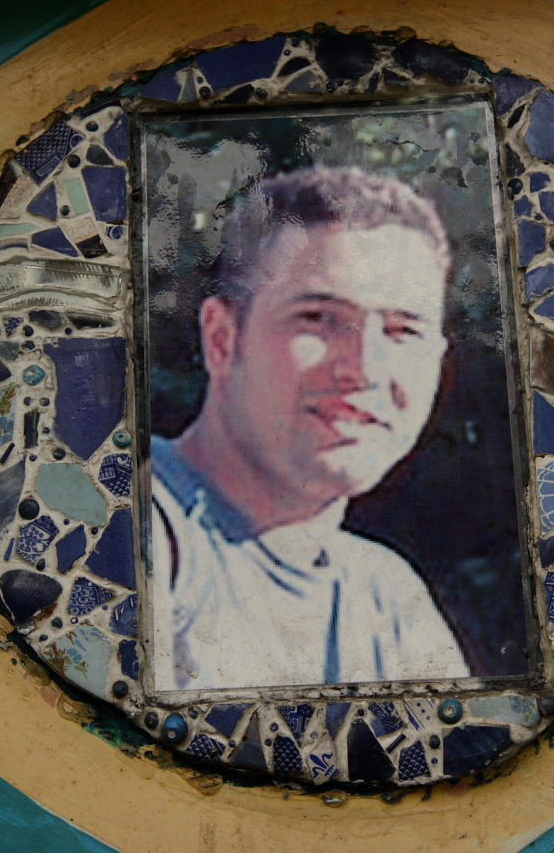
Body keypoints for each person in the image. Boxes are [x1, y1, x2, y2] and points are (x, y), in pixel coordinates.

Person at [150, 166, 470, 691]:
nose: (364, 368)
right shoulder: (128, 526)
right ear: (223, 339)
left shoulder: (387, 601)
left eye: (401, 330)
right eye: (318, 317)